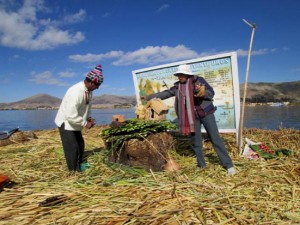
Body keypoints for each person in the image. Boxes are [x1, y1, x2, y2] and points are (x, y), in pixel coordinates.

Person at [142, 64, 235, 175]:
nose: (180, 77)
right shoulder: (178, 87)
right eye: (178, 75)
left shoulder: (199, 81)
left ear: (187, 75)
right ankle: (201, 165)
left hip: (206, 113)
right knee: (196, 142)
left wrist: (203, 93)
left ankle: (228, 165)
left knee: (215, 138)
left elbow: (211, 93)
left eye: (182, 75)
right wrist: (149, 97)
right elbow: (166, 93)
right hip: (191, 117)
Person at [55, 65, 103, 172]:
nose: (98, 88)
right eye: (97, 85)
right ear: (91, 82)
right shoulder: (76, 92)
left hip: (75, 122)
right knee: (72, 147)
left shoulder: (89, 92)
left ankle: (80, 163)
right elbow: (70, 115)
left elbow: (87, 107)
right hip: (66, 123)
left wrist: (89, 118)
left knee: (80, 144)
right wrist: (85, 123)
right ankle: (73, 171)